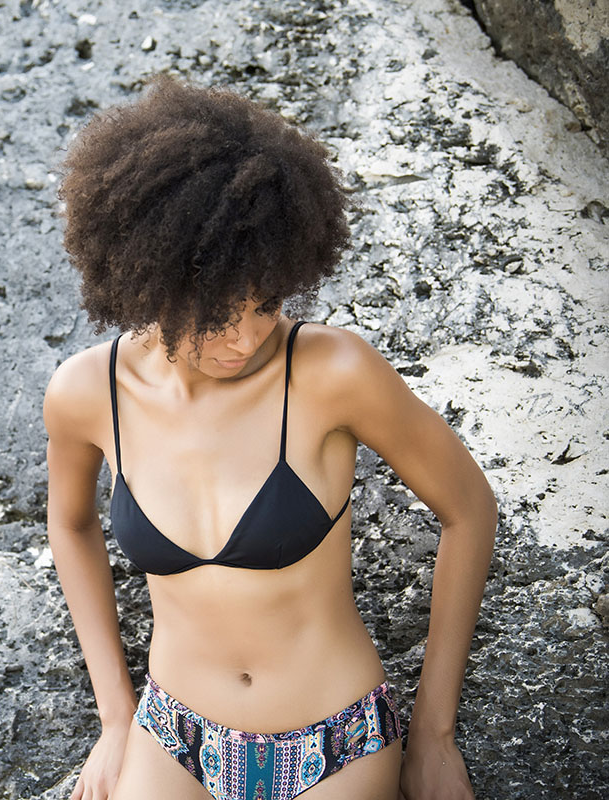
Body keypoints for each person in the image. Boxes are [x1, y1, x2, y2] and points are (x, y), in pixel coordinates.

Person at [42, 73, 497, 800]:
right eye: (220, 311)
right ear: (150, 279)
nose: (248, 337)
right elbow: (69, 524)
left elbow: (469, 507)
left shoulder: (331, 372)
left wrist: (434, 733)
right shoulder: (85, 395)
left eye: (267, 302)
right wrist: (116, 716)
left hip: (335, 742)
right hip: (174, 737)